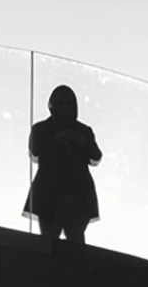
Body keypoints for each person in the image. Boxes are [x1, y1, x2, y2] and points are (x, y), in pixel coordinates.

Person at [23, 84, 102, 245]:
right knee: (49, 240)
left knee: (75, 240)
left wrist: (83, 142)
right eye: (61, 103)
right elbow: (35, 149)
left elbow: (96, 155)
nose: (65, 108)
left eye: (68, 103)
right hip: (49, 189)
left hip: (78, 190)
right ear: (52, 106)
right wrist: (57, 140)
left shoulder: (83, 130)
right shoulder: (41, 129)